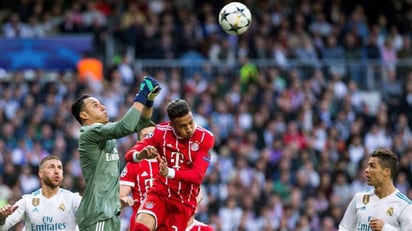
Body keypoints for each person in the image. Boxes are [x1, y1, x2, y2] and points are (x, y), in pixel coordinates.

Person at [71, 76, 161, 231]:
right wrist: (142, 93)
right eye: (95, 105)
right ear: (84, 115)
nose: (103, 107)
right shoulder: (89, 133)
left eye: (101, 103)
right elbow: (125, 127)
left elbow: (142, 123)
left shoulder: (105, 134)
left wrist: (149, 100)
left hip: (110, 213)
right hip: (97, 215)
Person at [124, 98, 215, 231]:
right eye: (183, 126)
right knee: (140, 227)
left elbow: (197, 176)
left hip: (183, 202)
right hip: (160, 194)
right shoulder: (160, 132)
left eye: (191, 122)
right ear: (172, 125)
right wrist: (140, 155)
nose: (189, 128)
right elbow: (129, 155)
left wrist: (169, 172)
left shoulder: (205, 138)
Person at [0, 155, 82, 230]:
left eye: (60, 168)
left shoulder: (73, 199)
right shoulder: (27, 201)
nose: (57, 171)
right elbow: (3, 227)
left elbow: (92, 220)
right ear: (41, 174)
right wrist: (1, 219)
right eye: (51, 167)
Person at [339, 148, 412, 231]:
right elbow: (344, 228)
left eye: (372, 166)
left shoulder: (404, 206)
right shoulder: (359, 198)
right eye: (368, 165)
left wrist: (385, 228)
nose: (366, 170)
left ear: (386, 172)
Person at [119, 124, 158, 230]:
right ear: (139, 143)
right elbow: (120, 195)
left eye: (153, 135)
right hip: (142, 223)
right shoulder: (134, 164)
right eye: (146, 136)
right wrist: (124, 199)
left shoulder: (172, 163)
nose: (150, 139)